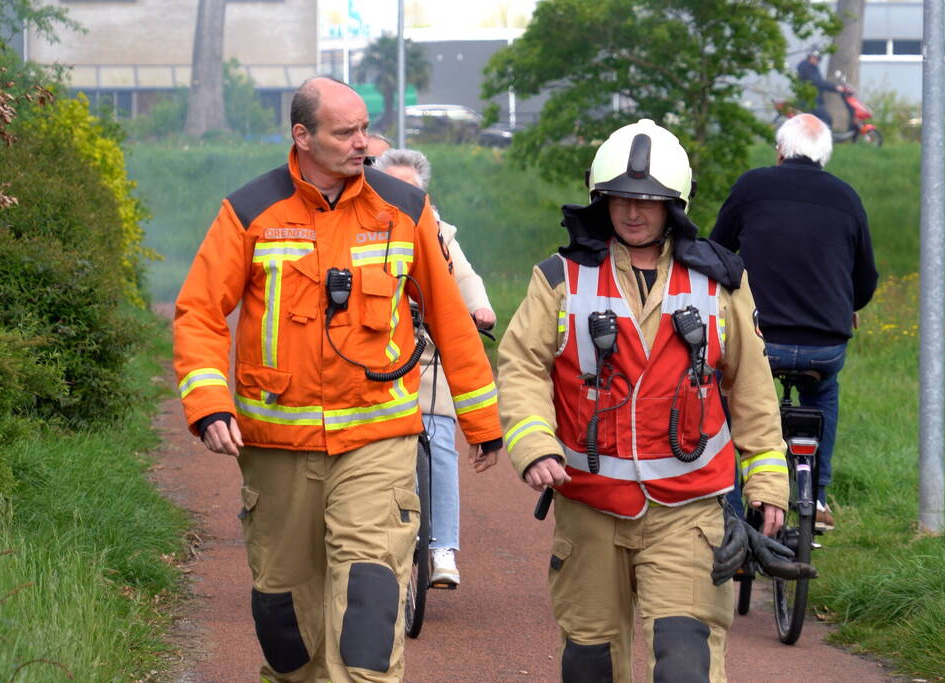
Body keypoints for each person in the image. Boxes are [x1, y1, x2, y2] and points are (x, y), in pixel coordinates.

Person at [173, 76, 503, 683]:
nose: (363, 145)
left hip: (378, 439)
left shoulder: (402, 210)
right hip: (275, 448)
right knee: (286, 625)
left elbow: (452, 319)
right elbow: (197, 312)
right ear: (302, 136)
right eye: (345, 132)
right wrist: (209, 403)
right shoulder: (249, 212)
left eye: (364, 131)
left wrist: (482, 421)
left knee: (368, 619)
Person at [497, 119, 789, 682]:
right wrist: (533, 443)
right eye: (622, 200)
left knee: (685, 665)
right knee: (591, 666)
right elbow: (520, 367)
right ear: (601, 199)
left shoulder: (720, 282)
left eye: (649, 203)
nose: (634, 213)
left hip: (688, 512)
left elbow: (751, 389)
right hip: (588, 510)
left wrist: (768, 483)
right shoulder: (560, 278)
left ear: (674, 205)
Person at [710, 113, 878, 531]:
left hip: (761, 340)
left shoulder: (753, 186)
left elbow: (717, 253)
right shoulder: (847, 197)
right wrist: (848, 304)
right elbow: (865, 278)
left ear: (780, 151)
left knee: (724, 397)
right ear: (825, 154)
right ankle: (818, 496)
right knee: (823, 394)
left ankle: (729, 510)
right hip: (825, 344)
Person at [373, 148, 496, 586]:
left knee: (440, 438)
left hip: (426, 351)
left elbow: (463, 277)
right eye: (395, 186)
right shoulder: (365, 228)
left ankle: (442, 547)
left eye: (413, 188)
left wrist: (479, 309)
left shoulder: (439, 231)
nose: (404, 194)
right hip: (375, 356)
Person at [796, 47, 846, 129]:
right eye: (813, 57)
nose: (815, 60)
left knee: (819, 120)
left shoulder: (811, 68)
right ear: (809, 57)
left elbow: (819, 82)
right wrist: (835, 87)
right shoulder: (807, 68)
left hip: (812, 99)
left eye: (817, 58)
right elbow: (818, 82)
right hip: (810, 100)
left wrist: (832, 87)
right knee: (826, 119)